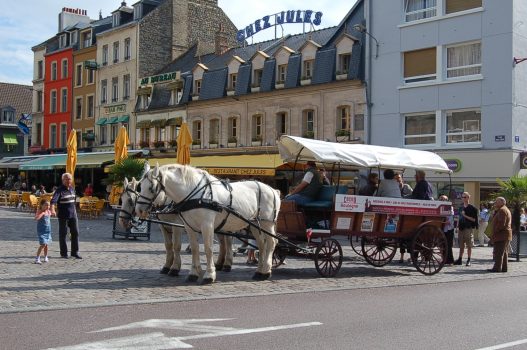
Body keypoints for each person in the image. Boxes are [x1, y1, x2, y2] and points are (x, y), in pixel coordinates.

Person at [50, 173, 82, 259]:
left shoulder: (72, 189)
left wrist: (78, 207)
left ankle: (74, 252)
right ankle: (64, 253)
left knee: (75, 233)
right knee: (63, 234)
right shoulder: (59, 190)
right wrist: (52, 209)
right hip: (63, 216)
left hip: (73, 215)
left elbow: (75, 200)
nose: (68, 180)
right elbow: (53, 201)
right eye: (66, 179)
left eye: (70, 179)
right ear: (63, 180)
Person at [488, 197, 512, 273]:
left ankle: (497, 268)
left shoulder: (502, 210)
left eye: (497, 202)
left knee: (499, 252)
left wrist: (495, 231)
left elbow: (502, 224)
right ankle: (504, 268)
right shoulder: (504, 209)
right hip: (505, 234)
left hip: (501, 235)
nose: (495, 203)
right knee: (504, 252)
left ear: (502, 202)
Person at [454, 192, 478, 266]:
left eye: (465, 197)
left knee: (469, 245)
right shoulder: (461, 207)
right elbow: (458, 217)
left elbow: (474, 220)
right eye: (462, 197)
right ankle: (460, 259)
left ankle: (469, 260)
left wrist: (465, 216)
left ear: (468, 198)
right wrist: (457, 227)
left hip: (468, 228)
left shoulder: (472, 208)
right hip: (461, 228)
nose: (463, 198)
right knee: (461, 245)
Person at [34, 199, 52, 264]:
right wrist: (42, 213)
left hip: (48, 230)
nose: (48, 206)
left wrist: (53, 212)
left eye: (48, 205)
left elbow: (49, 219)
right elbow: (36, 218)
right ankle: (37, 258)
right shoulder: (39, 211)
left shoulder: (48, 211)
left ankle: (45, 256)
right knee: (43, 244)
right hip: (41, 231)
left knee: (46, 245)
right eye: (46, 205)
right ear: (41, 205)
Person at [439, 195, 455, 265]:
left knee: (448, 245)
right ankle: (444, 259)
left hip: (449, 229)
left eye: (444, 199)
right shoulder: (438, 207)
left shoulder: (450, 208)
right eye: (441, 199)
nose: (442, 200)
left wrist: (442, 222)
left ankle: (450, 261)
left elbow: (449, 221)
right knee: (442, 245)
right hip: (442, 229)